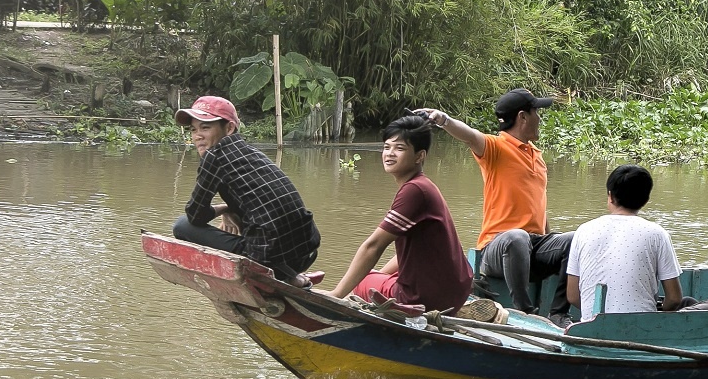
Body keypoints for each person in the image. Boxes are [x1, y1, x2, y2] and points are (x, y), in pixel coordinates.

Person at [418, 89, 571, 316]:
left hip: (534, 247)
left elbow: (538, 203)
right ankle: (525, 311)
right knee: (517, 237)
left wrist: (551, 238)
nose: (540, 118)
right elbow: (469, 135)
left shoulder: (536, 155)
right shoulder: (495, 148)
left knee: (574, 241)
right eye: (537, 112)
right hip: (497, 250)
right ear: (522, 117)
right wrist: (443, 119)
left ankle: (559, 314)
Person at [327, 116, 473, 311]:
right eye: (387, 147)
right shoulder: (424, 186)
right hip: (453, 294)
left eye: (399, 148)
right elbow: (407, 256)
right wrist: (378, 275)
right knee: (372, 275)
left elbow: (373, 246)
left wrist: (336, 294)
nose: (390, 154)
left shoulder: (414, 191)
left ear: (419, 156)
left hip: (427, 300)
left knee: (360, 283)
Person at [172, 95, 320, 284]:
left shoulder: (214, 156)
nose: (197, 135)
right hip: (306, 251)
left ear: (229, 128)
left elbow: (195, 215)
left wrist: (224, 209)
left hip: (266, 258)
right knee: (252, 215)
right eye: (193, 129)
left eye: (205, 127)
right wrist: (229, 208)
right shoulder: (252, 153)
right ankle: (289, 273)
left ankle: (284, 275)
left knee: (182, 226)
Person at [565, 165, 682, 316]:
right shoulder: (657, 234)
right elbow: (674, 299)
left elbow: (573, 296)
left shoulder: (583, 231)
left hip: (591, 327)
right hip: (642, 329)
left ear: (610, 196)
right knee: (690, 303)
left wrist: (600, 316)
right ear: (646, 200)